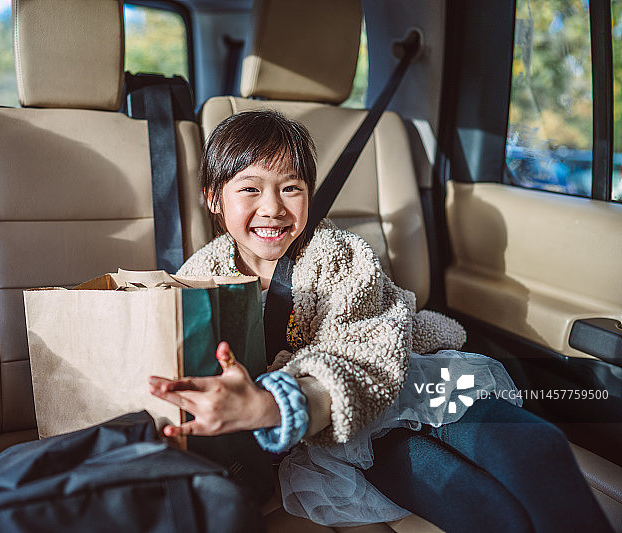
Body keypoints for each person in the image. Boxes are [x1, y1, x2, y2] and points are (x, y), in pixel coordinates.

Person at [149, 110, 613, 533]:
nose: (272, 207)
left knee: (536, 446)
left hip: (403, 380)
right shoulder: (198, 279)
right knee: (475, 502)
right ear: (213, 198)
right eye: (250, 189)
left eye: (291, 188)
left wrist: (280, 403)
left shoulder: (341, 255)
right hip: (339, 433)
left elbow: (362, 352)